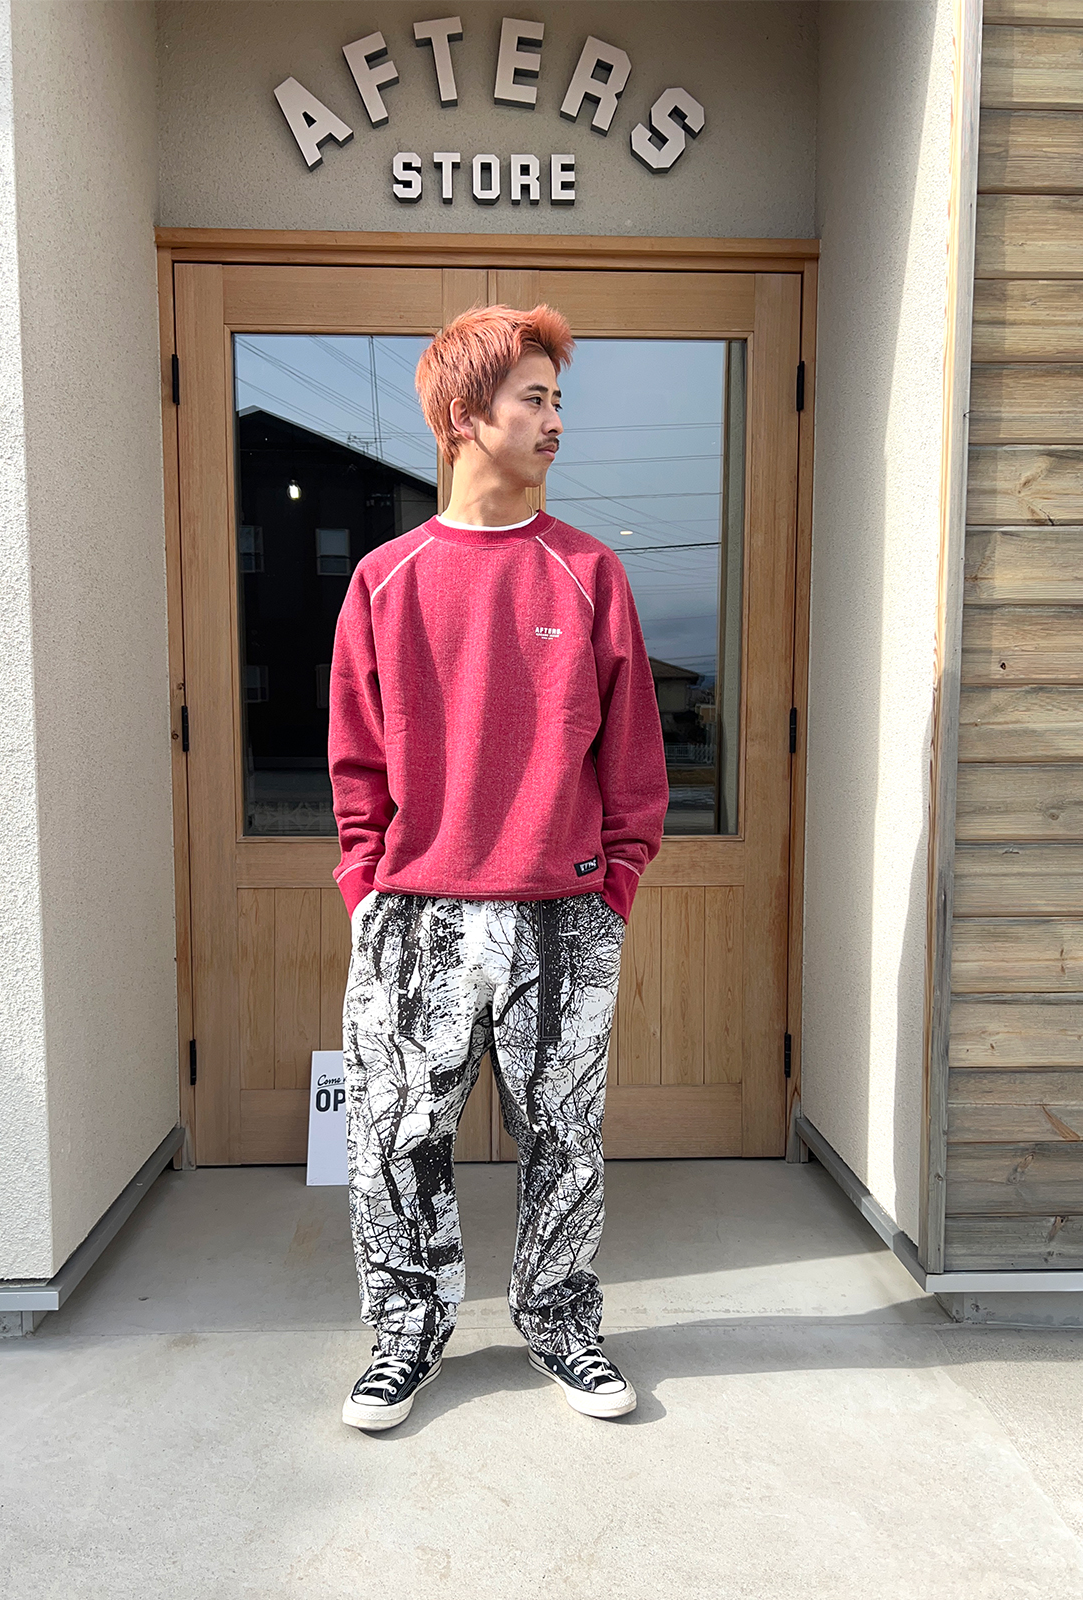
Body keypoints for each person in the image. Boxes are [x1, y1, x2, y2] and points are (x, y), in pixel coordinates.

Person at [328, 303, 670, 1431]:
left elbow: (633, 761)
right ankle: (406, 1334)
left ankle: (561, 1324)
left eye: (558, 399)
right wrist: (369, 889)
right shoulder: (385, 579)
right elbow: (356, 760)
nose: (555, 419)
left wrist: (612, 890)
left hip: (563, 913)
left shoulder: (589, 573)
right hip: (414, 914)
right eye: (534, 397)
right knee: (393, 1139)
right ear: (465, 416)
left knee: (565, 1140)